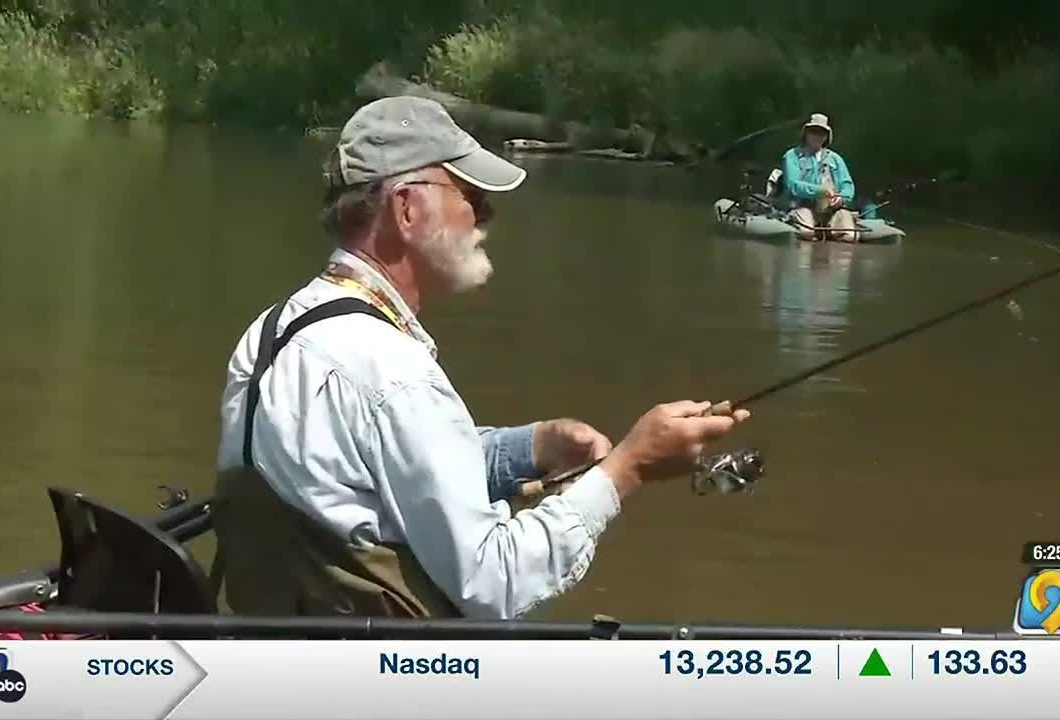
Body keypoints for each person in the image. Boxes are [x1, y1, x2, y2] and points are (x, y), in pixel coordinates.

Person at [212, 96, 751, 621]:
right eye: (471, 194)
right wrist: (626, 469)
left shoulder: (273, 330)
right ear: (406, 208)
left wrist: (529, 448)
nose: (487, 215)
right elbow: (497, 584)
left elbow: (377, 472)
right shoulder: (393, 371)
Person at [782, 113, 858, 242]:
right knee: (806, 232)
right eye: (813, 132)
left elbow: (847, 186)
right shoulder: (792, 156)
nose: (817, 136)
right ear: (806, 134)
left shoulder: (836, 159)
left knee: (850, 236)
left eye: (821, 133)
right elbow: (793, 185)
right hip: (801, 206)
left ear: (826, 136)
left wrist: (841, 199)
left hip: (831, 210)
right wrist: (820, 191)